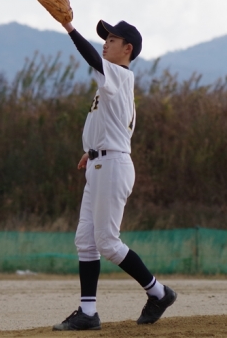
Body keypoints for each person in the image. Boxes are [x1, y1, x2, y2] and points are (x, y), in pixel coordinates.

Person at [52, 18, 177, 331]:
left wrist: (69, 27)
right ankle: (88, 312)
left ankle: (158, 293)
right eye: (105, 39)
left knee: (107, 242)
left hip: (112, 167)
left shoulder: (119, 75)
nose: (105, 44)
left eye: (112, 39)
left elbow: (93, 59)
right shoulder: (114, 83)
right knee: (86, 241)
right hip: (101, 164)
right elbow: (114, 126)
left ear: (127, 48)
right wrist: (92, 149)